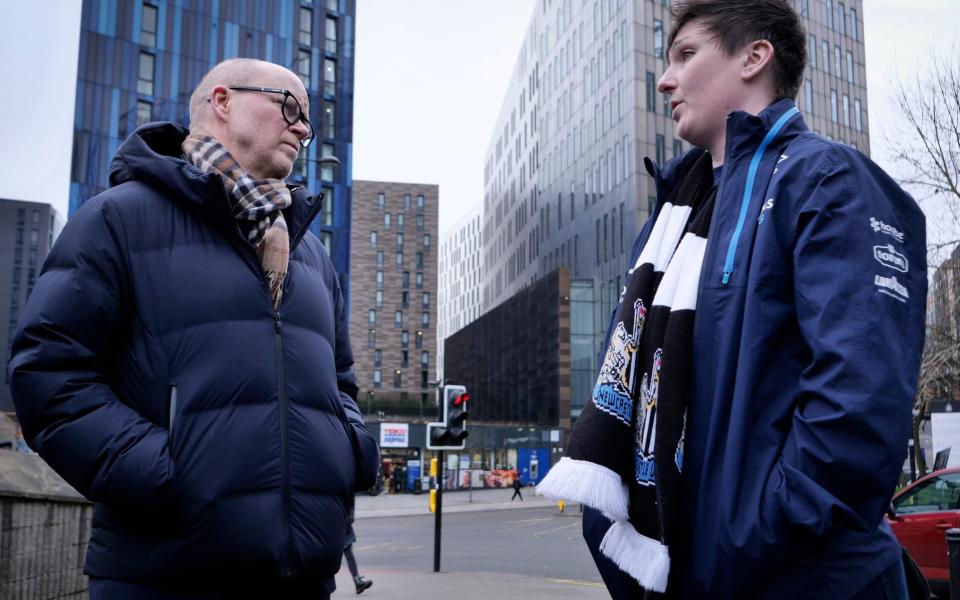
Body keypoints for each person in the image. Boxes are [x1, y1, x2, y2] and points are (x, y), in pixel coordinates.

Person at [537, 1, 926, 598]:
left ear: (754, 56)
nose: (666, 79)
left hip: (798, 579)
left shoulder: (829, 181)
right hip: (690, 578)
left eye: (686, 55)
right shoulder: (672, 220)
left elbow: (860, 400)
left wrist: (750, 536)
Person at [7, 58, 379, 599]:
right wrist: (168, 472)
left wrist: (351, 451)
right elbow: (49, 374)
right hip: (163, 576)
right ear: (223, 102)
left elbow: (339, 383)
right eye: (289, 107)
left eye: (309, 120)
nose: (302, 127)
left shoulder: (311, 254)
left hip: (304, 577)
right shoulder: (118, 219)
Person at [343, 500, 373, 595]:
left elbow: (351, 504)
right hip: (334, 524)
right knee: (328, 556)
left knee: (349, 554)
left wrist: (350, 518)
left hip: (344, 524)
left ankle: (357, 581)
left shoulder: (348, 488)